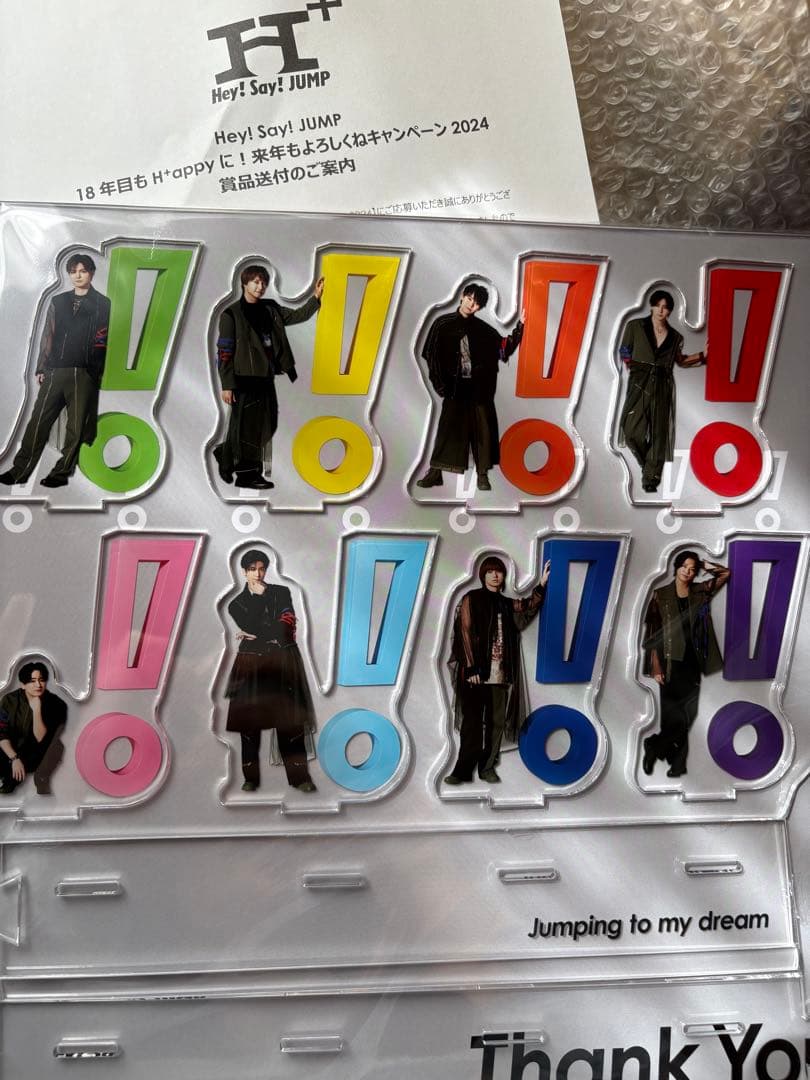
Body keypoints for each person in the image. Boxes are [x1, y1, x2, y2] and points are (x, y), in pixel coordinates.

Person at [0, 254, 110, 489]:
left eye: (83, 271)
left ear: (91, 273)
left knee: (76, 428)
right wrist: (42, 366)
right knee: (38, 422)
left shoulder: (102, 303)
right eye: (73, 271)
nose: (78, 275)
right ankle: (20, 471)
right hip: (55, 371)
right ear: (69, 273)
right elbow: (47, 335)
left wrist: (93, 371)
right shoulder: (58, 301)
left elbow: (102, 338)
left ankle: (60, 474)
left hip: (84, 373)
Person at [213, 265, 324, 490]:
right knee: (250, 429)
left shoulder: (270, 308)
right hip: (244, 380)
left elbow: (297, 316)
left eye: (263, 282)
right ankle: (247, 475)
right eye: (255, 282)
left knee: (268, 424)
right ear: (244, 283)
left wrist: (316, 297)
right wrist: (227, 385)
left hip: (265, 378)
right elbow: (224, 352)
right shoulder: (230, 315)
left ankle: (225, 453)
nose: (260, 286)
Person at [444, 555, 550, 785]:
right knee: (472, 724)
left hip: (500, 675)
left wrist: (541, 585)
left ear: (503, 576)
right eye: (490, 571)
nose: (494, 575)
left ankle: (487, 767)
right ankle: (462, 771)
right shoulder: (471, 598)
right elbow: (464, 632)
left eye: (498, 571)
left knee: (497, 724)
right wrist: (471, 667)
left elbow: (527, 606)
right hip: (474, 675)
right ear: (483, 575)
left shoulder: (505, 603)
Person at [225, 549, 317, 792]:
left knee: (290, 721)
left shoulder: (281, 592)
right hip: (251, 664)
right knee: (249, 725)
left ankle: (300, 778)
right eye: (252, 569)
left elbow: (287, 627)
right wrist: (259, 606)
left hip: (283, 661)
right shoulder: (235, 604)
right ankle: (250, 778)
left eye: (262, 568)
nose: (258, 573)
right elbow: (250, 624)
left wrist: (257, 632)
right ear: (244, 572)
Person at [416, 284, 523, 492]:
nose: (472, 305)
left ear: (479, 308)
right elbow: (430, 354)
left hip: (479, 389)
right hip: (454, 388)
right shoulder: (442, 323)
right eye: (470, 299)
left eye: (477, 304)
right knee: (447, 430)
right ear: (463, 297)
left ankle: (482, 475)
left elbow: (503, 348)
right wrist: (440, 385)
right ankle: (435, 473)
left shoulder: (483, 329)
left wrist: (521, 327)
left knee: (482, 431)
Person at [642, 550, 730, 778]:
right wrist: (656, 667)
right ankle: (678, 765)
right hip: (670, 662)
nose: (688, 572)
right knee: (673, 716)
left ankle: (655, 746)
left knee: (689, 714)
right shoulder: (661, 595)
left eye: (692, 569)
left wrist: (704, 564)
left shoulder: (701, 591)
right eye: (684, 567)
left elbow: (725, 574)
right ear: (677, 566)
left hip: (693, 661)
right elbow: (653, 633)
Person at [618, 289, 705, 493]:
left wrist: (703, 355)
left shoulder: (675, 337)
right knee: (631, 431)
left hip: (663, 383)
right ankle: (649, 466)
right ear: (652, 306)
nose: (661, 310)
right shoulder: (634, 326)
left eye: (665, 308)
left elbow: (681, 361)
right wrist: (633, 367)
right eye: (658, 305)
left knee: (659, 432)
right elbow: (624, 349)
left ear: (670, 311)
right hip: (640, 381)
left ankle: (651, 479)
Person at [0, 662, 67, 795]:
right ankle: (10, 777)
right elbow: (2, 734)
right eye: (32, 681)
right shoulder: (9, 700)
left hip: (37, 752)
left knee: (57, 747)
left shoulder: (57, 704)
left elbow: (42, 739)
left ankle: (41, 777)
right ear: (23, 685)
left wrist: (36, 710)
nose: (38, 685)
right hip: (12, 750)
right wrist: (14, 758)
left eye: (41, 680)